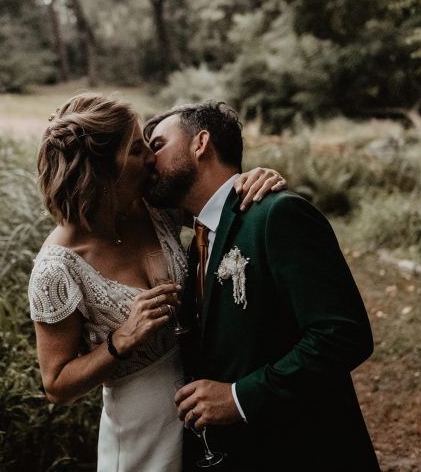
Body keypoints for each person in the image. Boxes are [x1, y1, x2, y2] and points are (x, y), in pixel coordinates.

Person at [27, 93, 286, 472]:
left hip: (203, 405)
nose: (151, 157)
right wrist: (122, 339)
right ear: (102, 167)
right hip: (139, 426)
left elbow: (217, 203)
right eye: (136, 149)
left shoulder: (153, 209)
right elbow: (56, 384)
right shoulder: (56, 269)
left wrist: (253, 178)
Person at [144, 100, 380, 471]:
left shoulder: (278, 214)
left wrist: (240, 397)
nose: (146, 160)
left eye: (157, 145)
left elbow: (342, 335)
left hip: (306, 450)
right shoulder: (197, 242)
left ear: (200, 143)